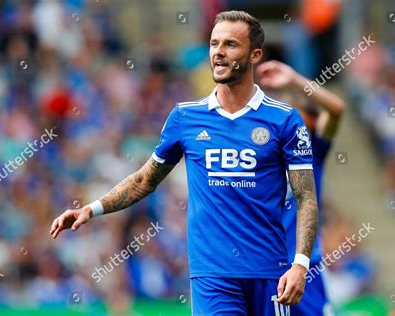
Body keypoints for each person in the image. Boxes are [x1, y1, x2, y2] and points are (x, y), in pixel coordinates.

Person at [50, 11, 319, 315]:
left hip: (271, 273)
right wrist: (92, 208)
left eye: (230, 44)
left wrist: (300, 264)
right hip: (213, 276)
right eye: (214, 43)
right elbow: (144, 180)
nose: (218, 51)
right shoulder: (186, 117)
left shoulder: (283, 119)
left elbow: (305, 196)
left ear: (254, 55)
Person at [257, 60, 345, 315]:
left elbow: (337, 108)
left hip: (307, 266)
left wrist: (294, 79)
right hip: (267, 266)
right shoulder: (264, 156)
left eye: (301, 122)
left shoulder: (314, 151)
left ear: (313, 124)